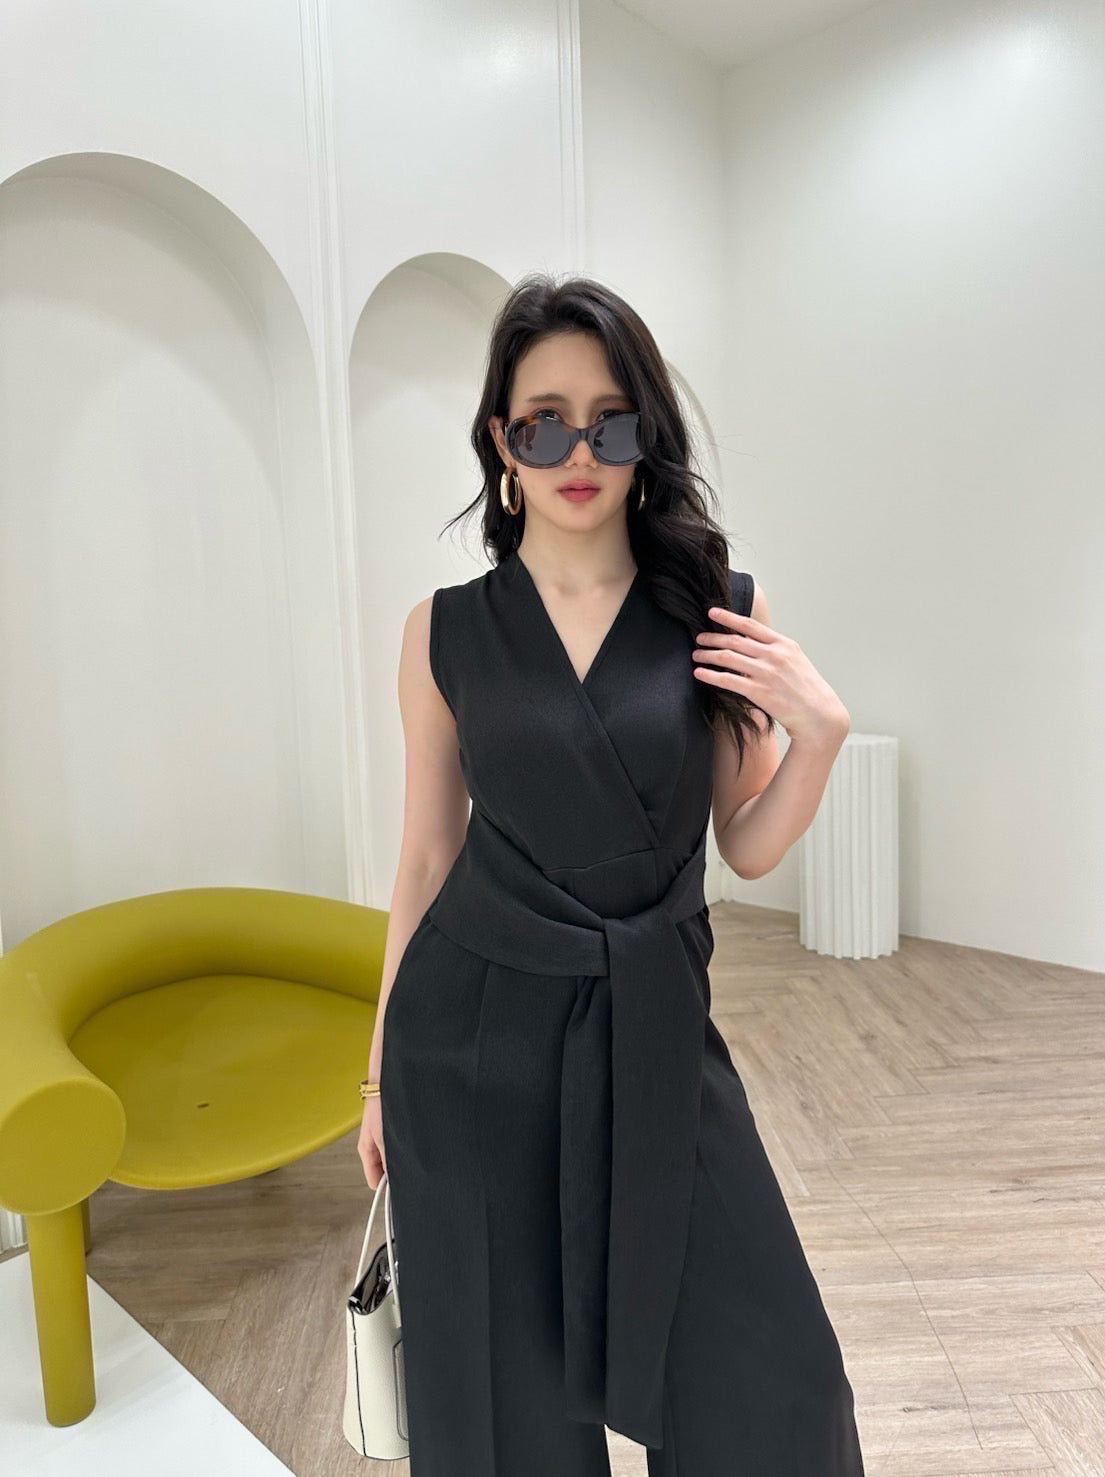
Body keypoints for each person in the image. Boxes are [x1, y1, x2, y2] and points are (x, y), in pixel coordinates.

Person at [357, 272, 866, 1475]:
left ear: (647, 437)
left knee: (775, 1377)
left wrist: (820, 737)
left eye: (611, 422)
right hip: (471, 1041)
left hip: (652, 1028)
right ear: (501, 442)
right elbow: (426, 853)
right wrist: (376, 1072)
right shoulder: (441, 632)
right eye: (544, 424)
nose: (578, 452)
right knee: (503, 1402)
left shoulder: (716, 608)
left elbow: (744, 842)